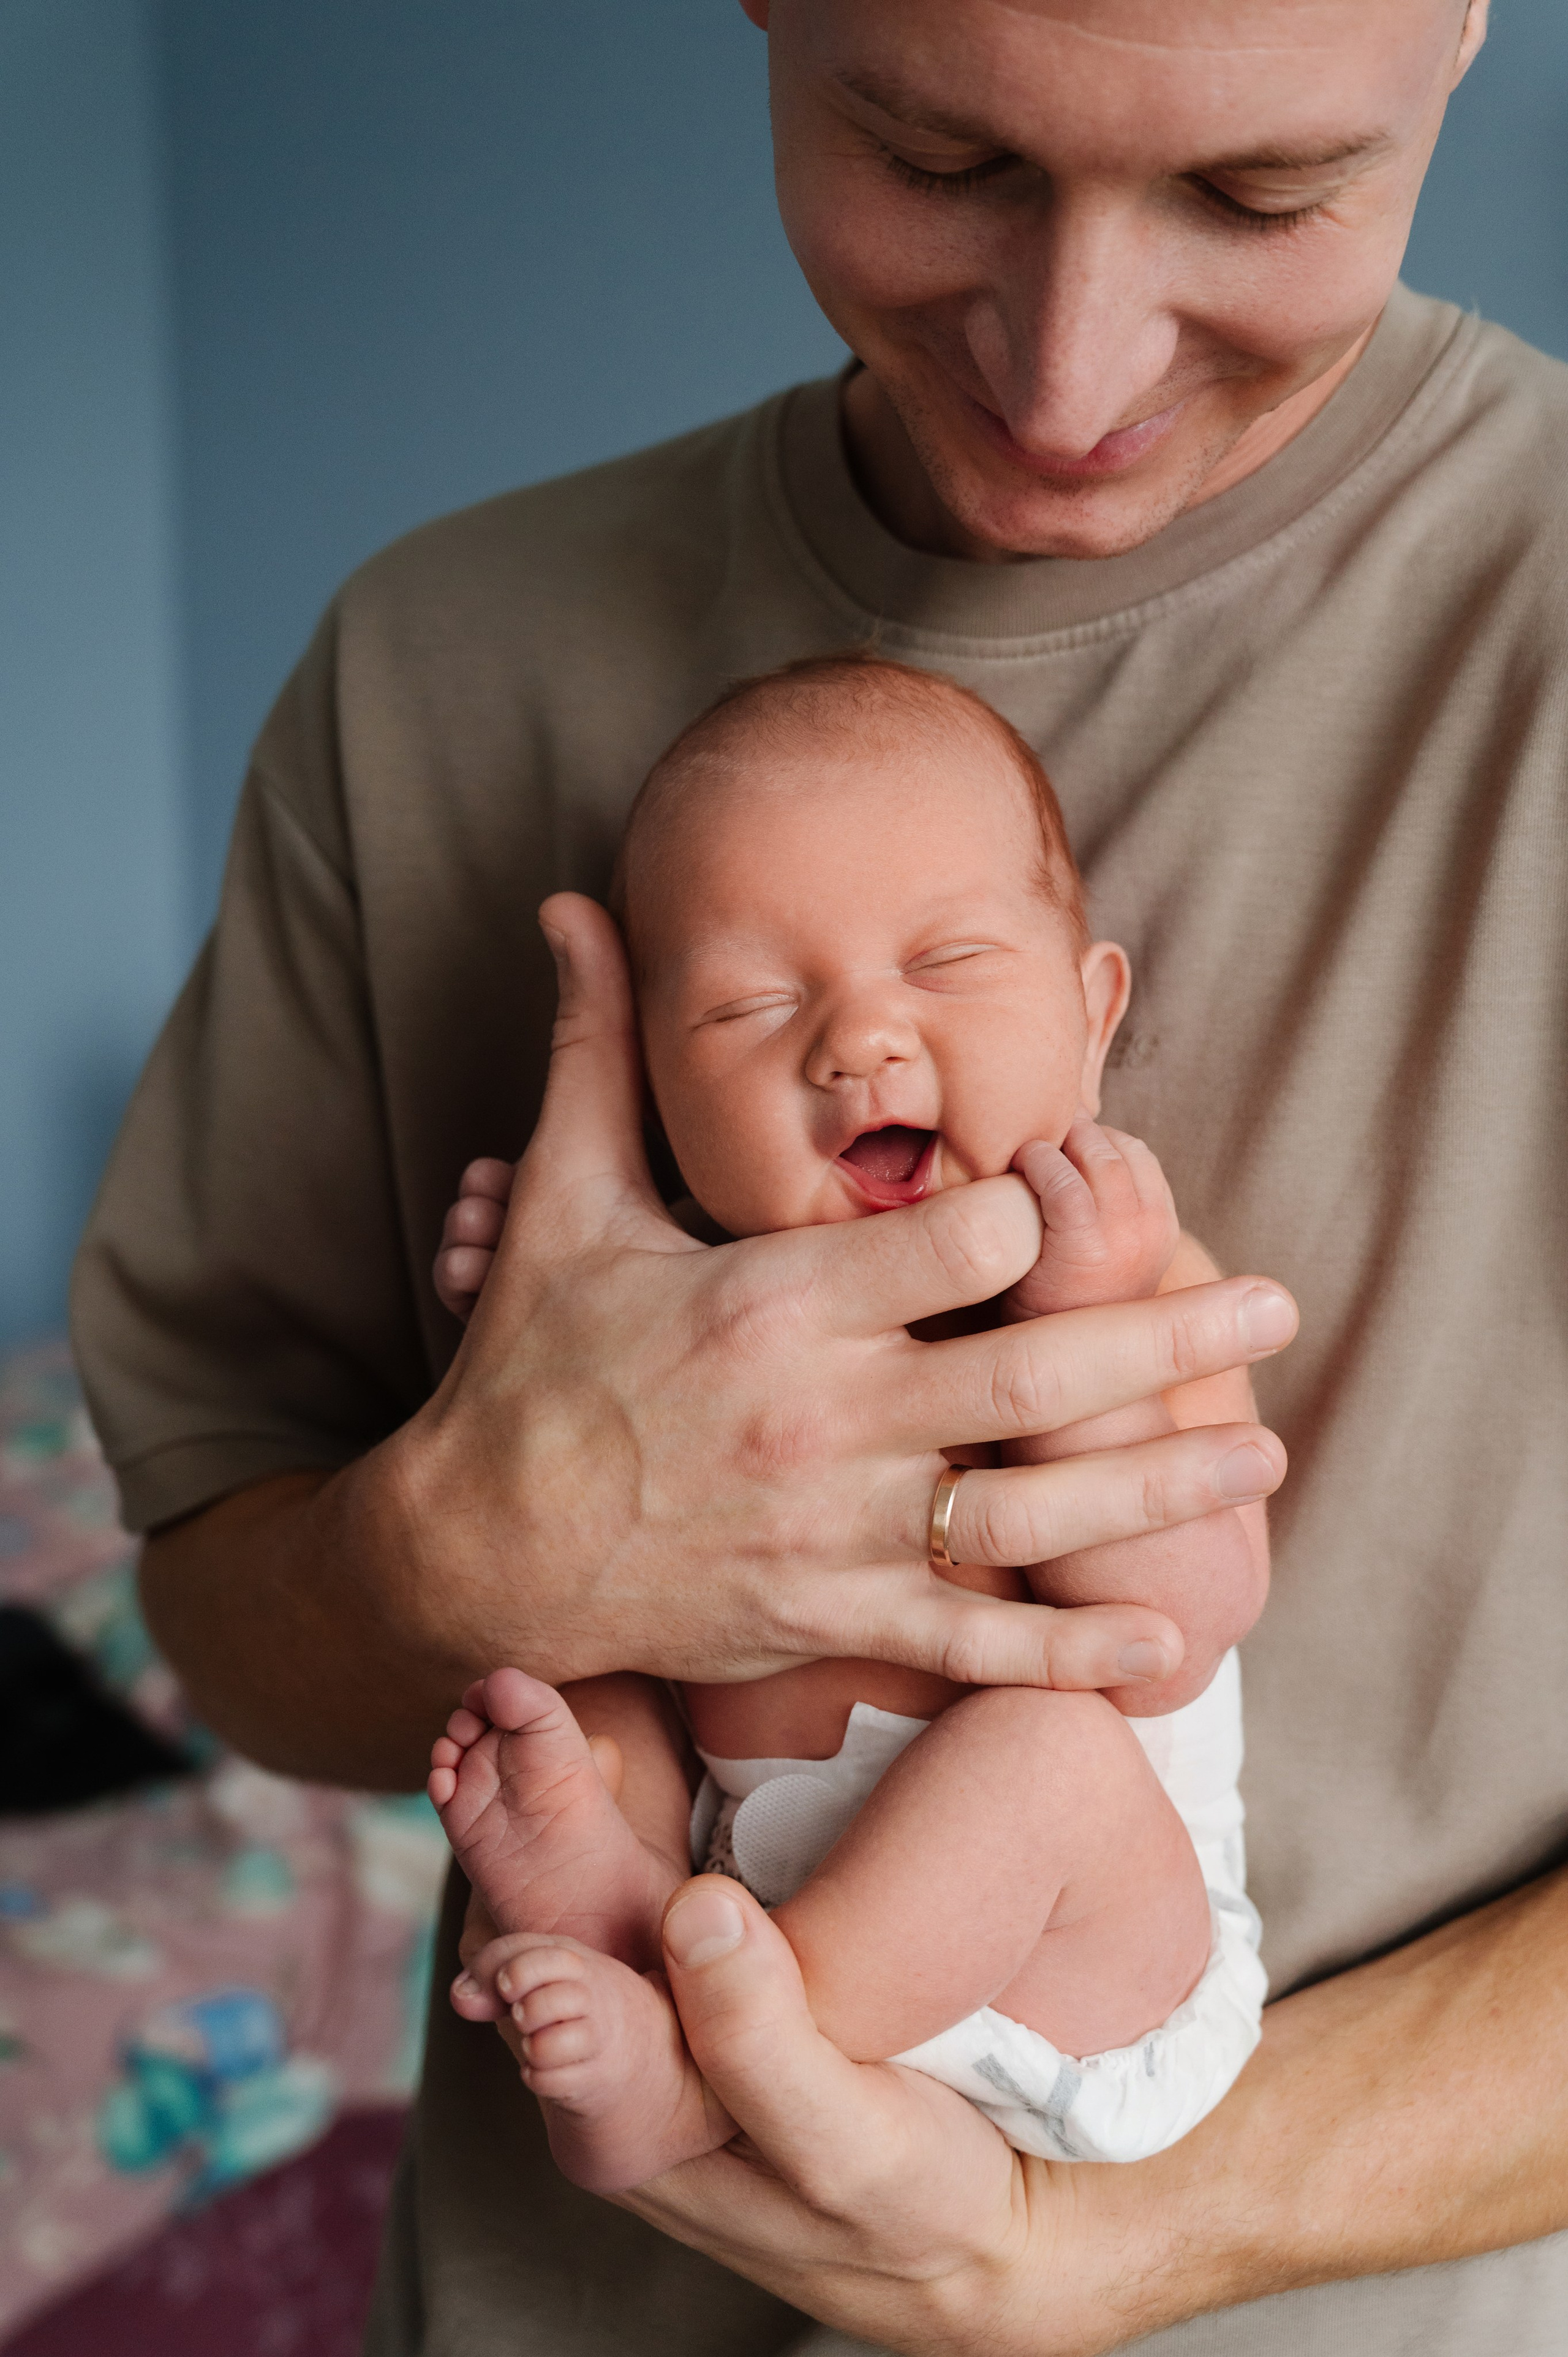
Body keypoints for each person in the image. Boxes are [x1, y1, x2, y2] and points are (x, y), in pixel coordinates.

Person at [69, 0, 1568, 2349]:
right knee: (587, 1741)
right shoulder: (432, 666)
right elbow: (231, 1597)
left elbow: (1175, 1584)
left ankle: (766, 2004)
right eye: (936, 155)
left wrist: (1097, 2238)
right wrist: (470, 1526)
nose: (1072, 371)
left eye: (1262, 196)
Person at [424, 654, 1271, 2192]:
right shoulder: (678, 1308)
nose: (857, 1040)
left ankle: (715, 2082)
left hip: (1081, 1959)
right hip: (731, 1885)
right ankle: (607, 1899)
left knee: (1041, 1754)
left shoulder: (1139, 1281)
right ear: (655, 1092)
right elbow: (532, 1482)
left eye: (943, 961)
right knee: (566, 1628)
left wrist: (1077, 1327)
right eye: (751, 1005)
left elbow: (1180, 1619)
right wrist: (525, 1330)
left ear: (1091, 1014)